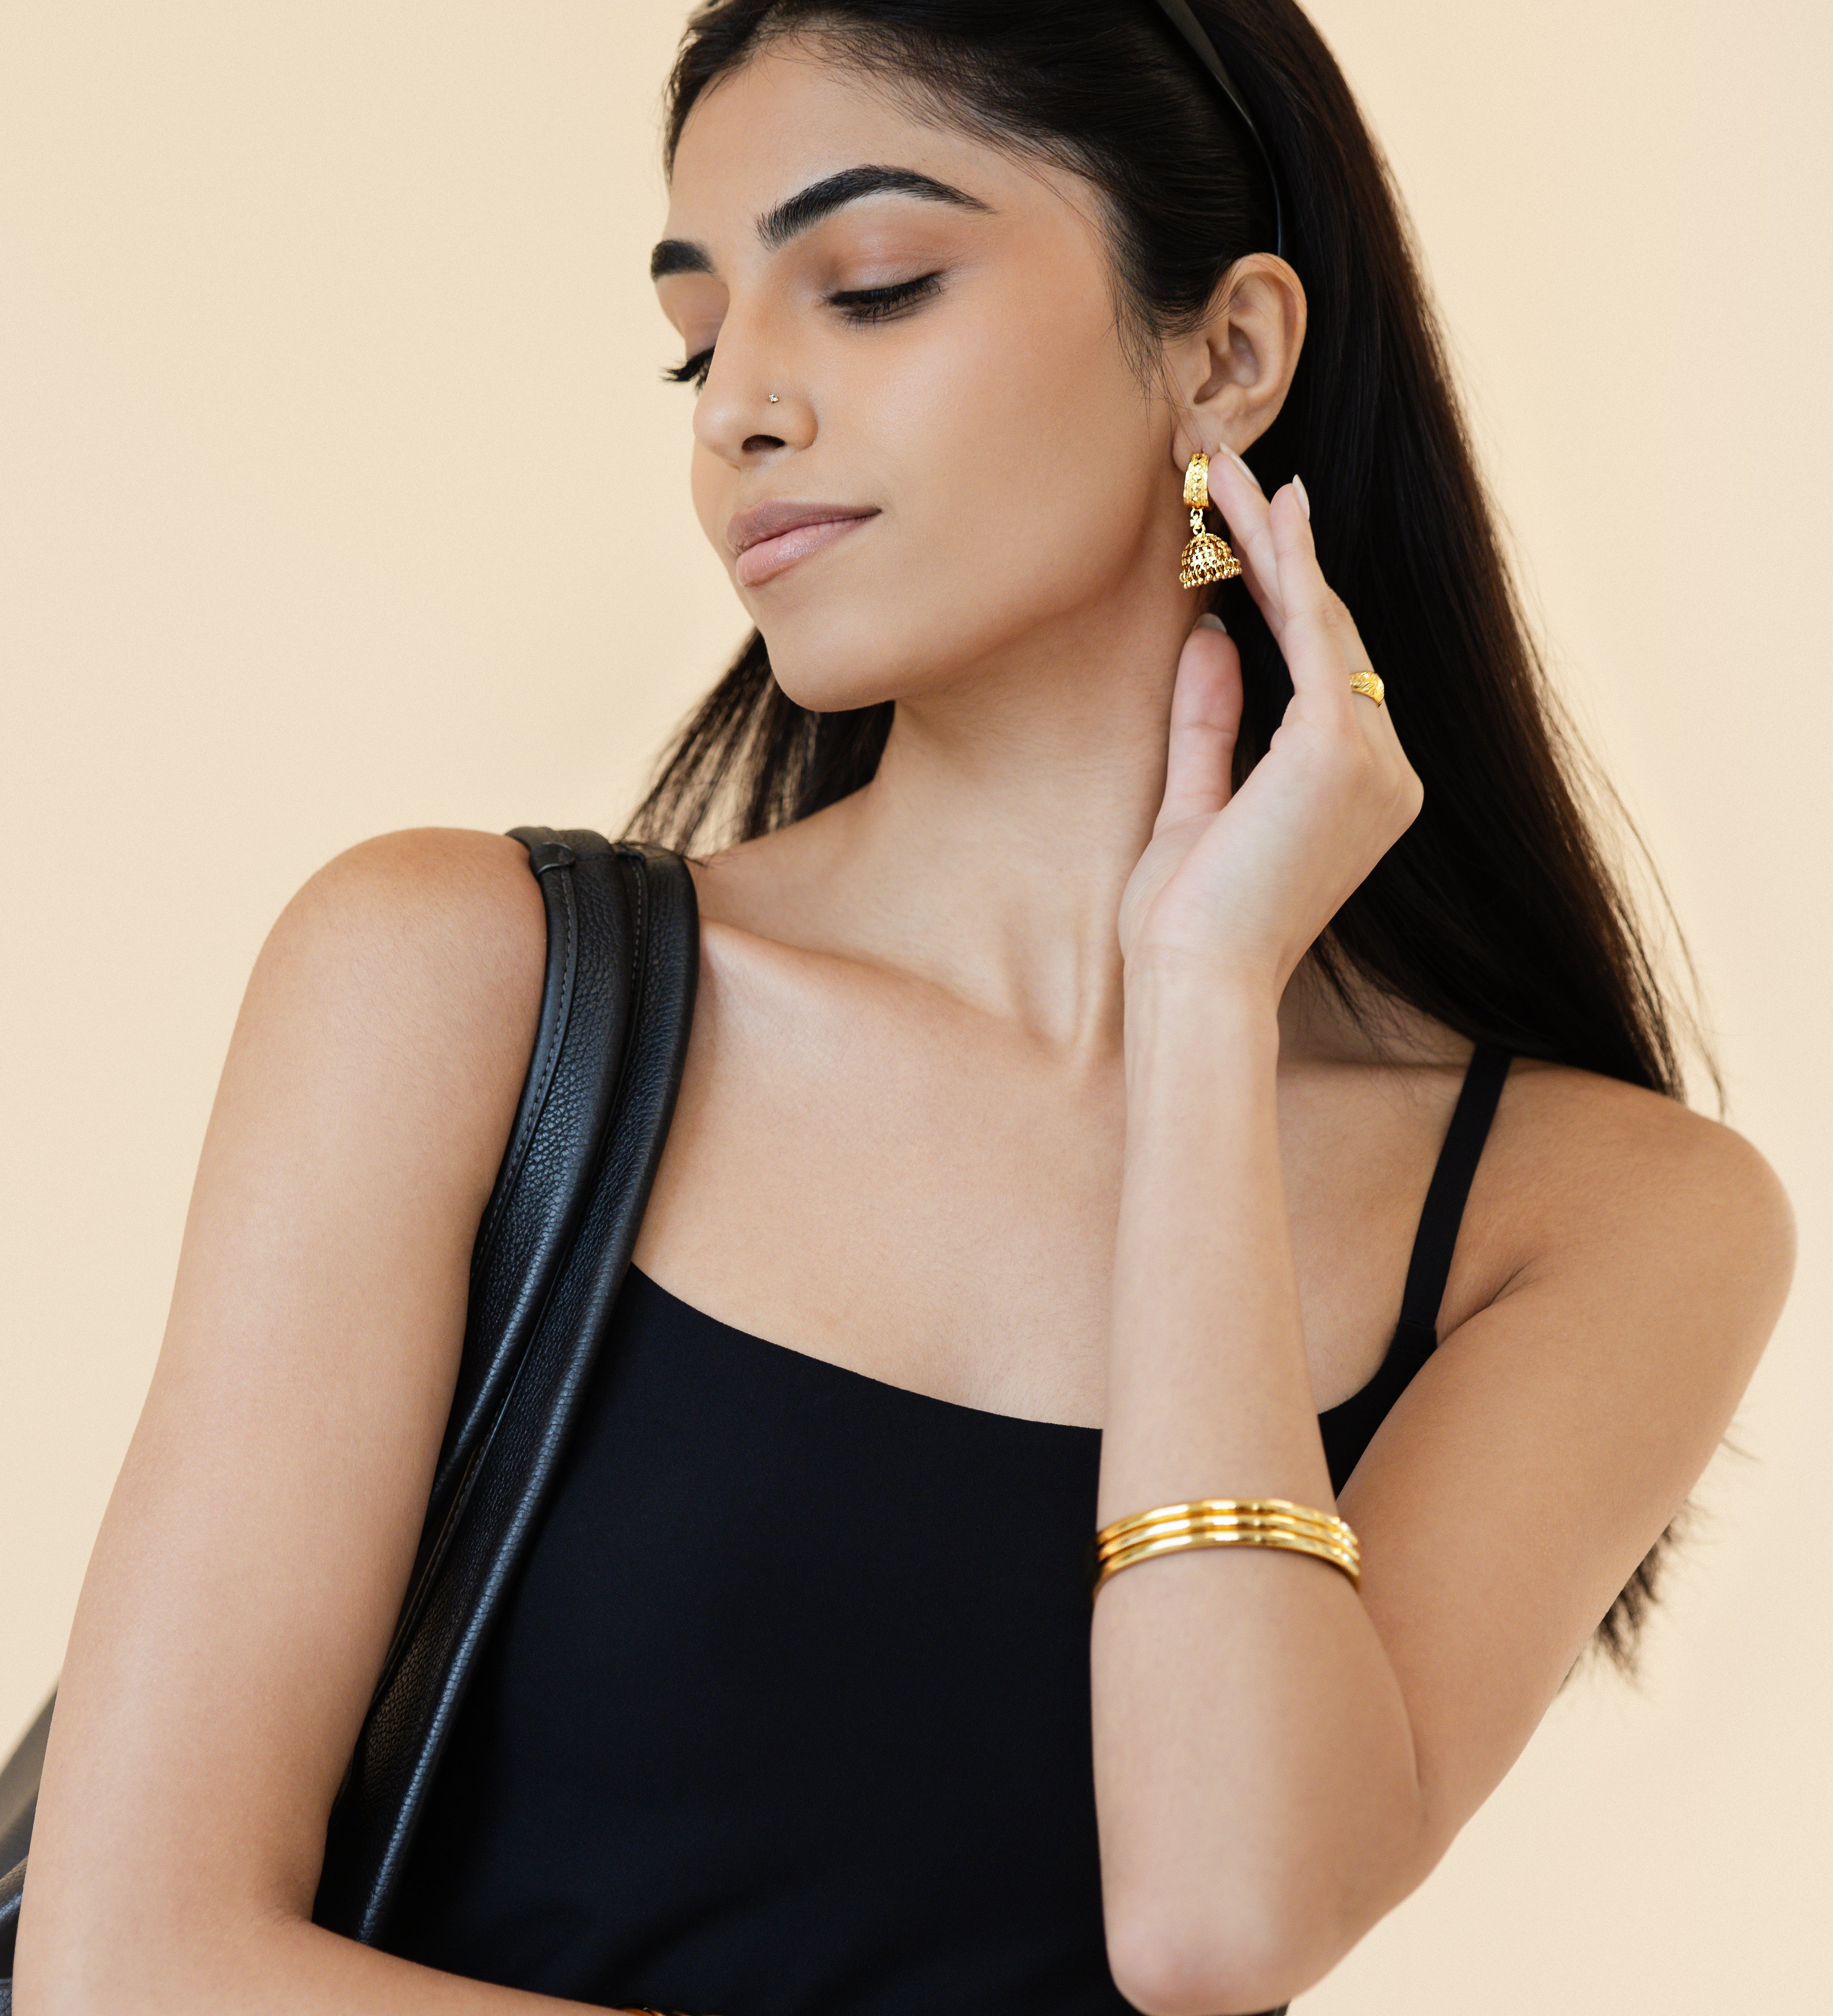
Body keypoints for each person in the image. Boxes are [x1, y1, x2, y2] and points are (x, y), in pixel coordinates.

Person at [13, 3, 1794, 2013]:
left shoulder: (1604, 1214)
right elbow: (129, 1968)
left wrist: (1200, 1008)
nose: (737, 407)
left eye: (867, 289)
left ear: (1224, 353)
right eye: (700, 339)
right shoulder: (454, 980)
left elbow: (1220, 1917)